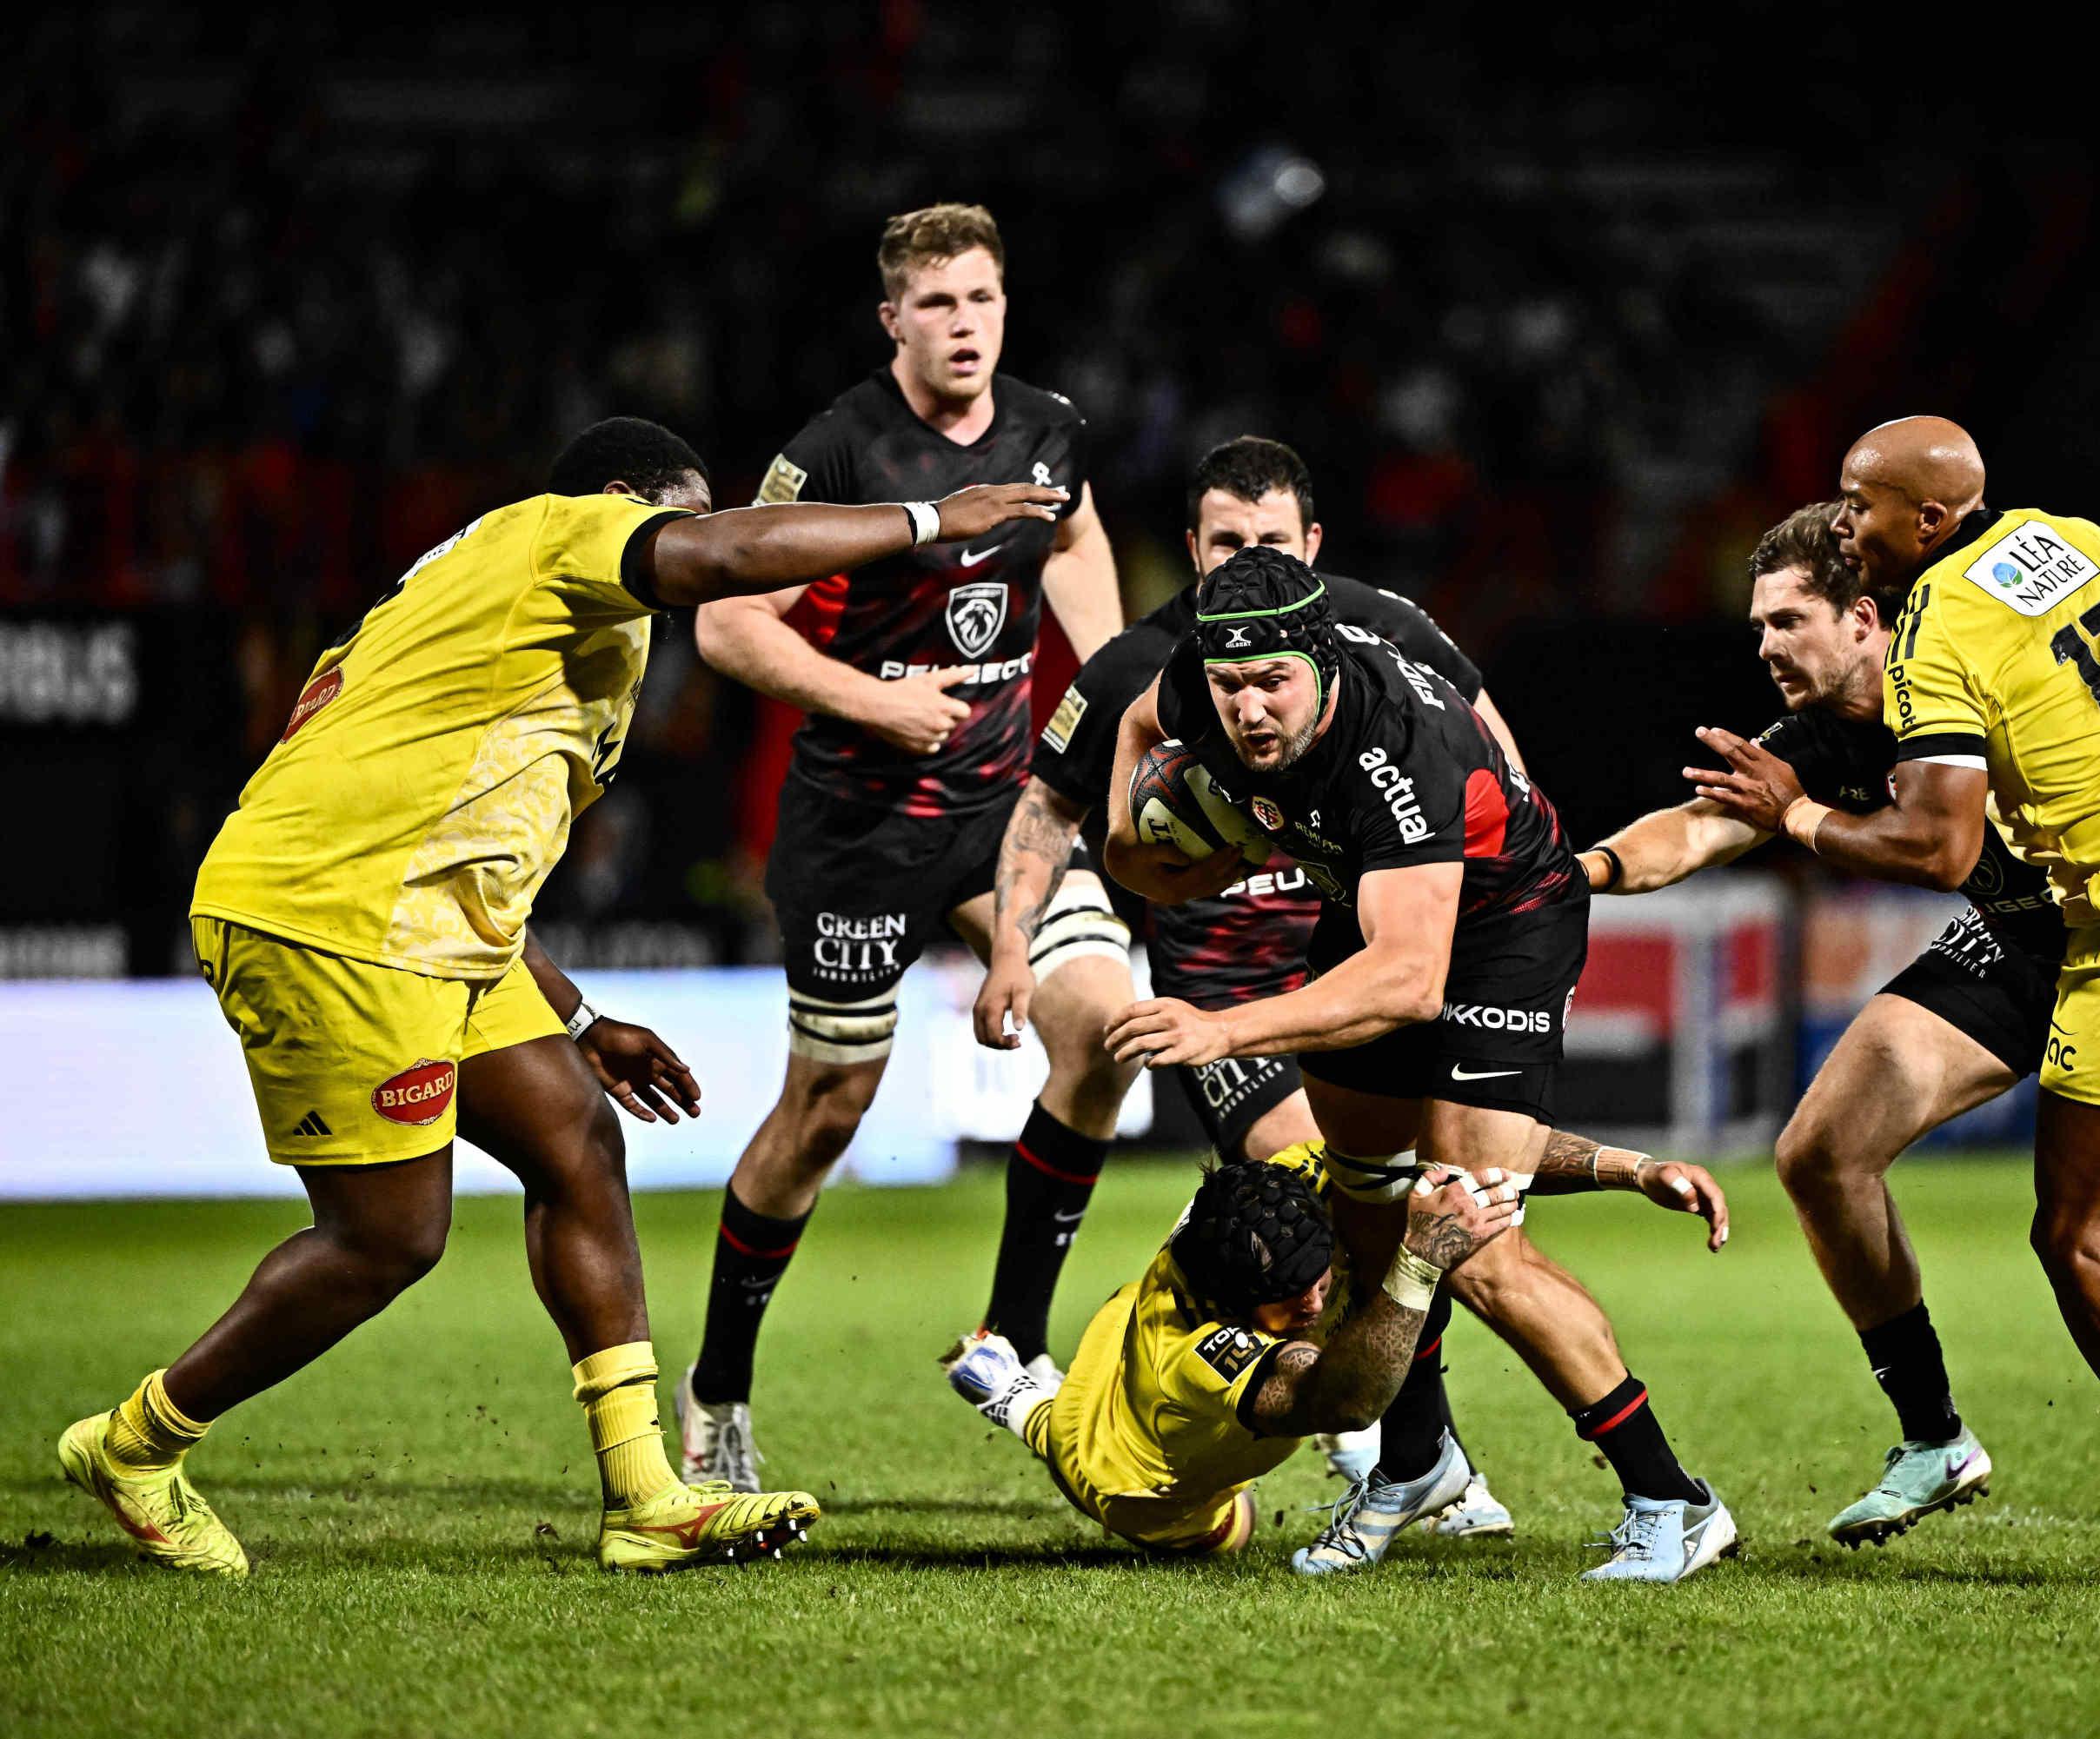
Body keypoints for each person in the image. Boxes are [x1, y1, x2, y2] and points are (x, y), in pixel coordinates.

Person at [56, 416, 1067, 1575]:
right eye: (677, 515)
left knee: (576, 1136)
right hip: (333, 914)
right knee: (389, 1237)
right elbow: (724, 557)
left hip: (426, 924)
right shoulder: (557, 538)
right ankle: (137, 1442)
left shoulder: (553, 629)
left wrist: (581, 1018)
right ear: (624, 502)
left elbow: (473, 836)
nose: (692, 540)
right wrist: (934, 521)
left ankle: (646, 1498)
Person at [985, 436, 1725, 1518]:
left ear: (1314, 568)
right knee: (1367, 1206)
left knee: (1464, 1234)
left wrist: (1226, 1029)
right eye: (1226, 545)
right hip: (1305, 947)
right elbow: (1116, 796)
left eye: (1268, 544)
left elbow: (1420, 960)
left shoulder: (1396, 729)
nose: (1246, 705)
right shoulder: (1189, 672)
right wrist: (1175, 846)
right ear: (1193, 557)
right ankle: (1413, 1459)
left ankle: (1669, 1502)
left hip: (1470, 929)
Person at [1593, 501, 2100, 1556]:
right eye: (1758, 625)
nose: (1764, 645)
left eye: (1788, 621)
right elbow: (1698, 825)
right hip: (2022, 942)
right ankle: (1934, 1435)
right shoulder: (1823, 736)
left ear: (1866, 619)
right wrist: (1583, 876)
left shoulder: (1964, 659)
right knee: (1821, 1153)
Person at [679, 203, 1135, 1489]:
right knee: (827, 1113)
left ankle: (1012, 1339)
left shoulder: (1049, 429)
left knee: (1105, 1028)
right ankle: (716, 1397)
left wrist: (1100, 676)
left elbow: (1079, 531)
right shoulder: (834, 450)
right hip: (858, 830)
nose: (964, 326)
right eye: (937, 305)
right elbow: (725, 627)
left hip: (1003, 812)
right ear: (892, 319)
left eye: (982, 299)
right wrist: (876, 699)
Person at [940, 1147, 1521, 1555]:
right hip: (1133, 1487)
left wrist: (1610, 1163)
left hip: (1121, 1332)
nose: (1313, 1307)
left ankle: (1009, 1385)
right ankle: (1013, 1396)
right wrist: (1420, 1261)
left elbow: (1463, 1143)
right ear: (1233, 1302)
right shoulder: (1202, 1354)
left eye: (1313, 1288)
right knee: (1234, 1528)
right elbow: (1343, 1401)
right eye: (1289, 1299)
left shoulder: (1261, 1203)